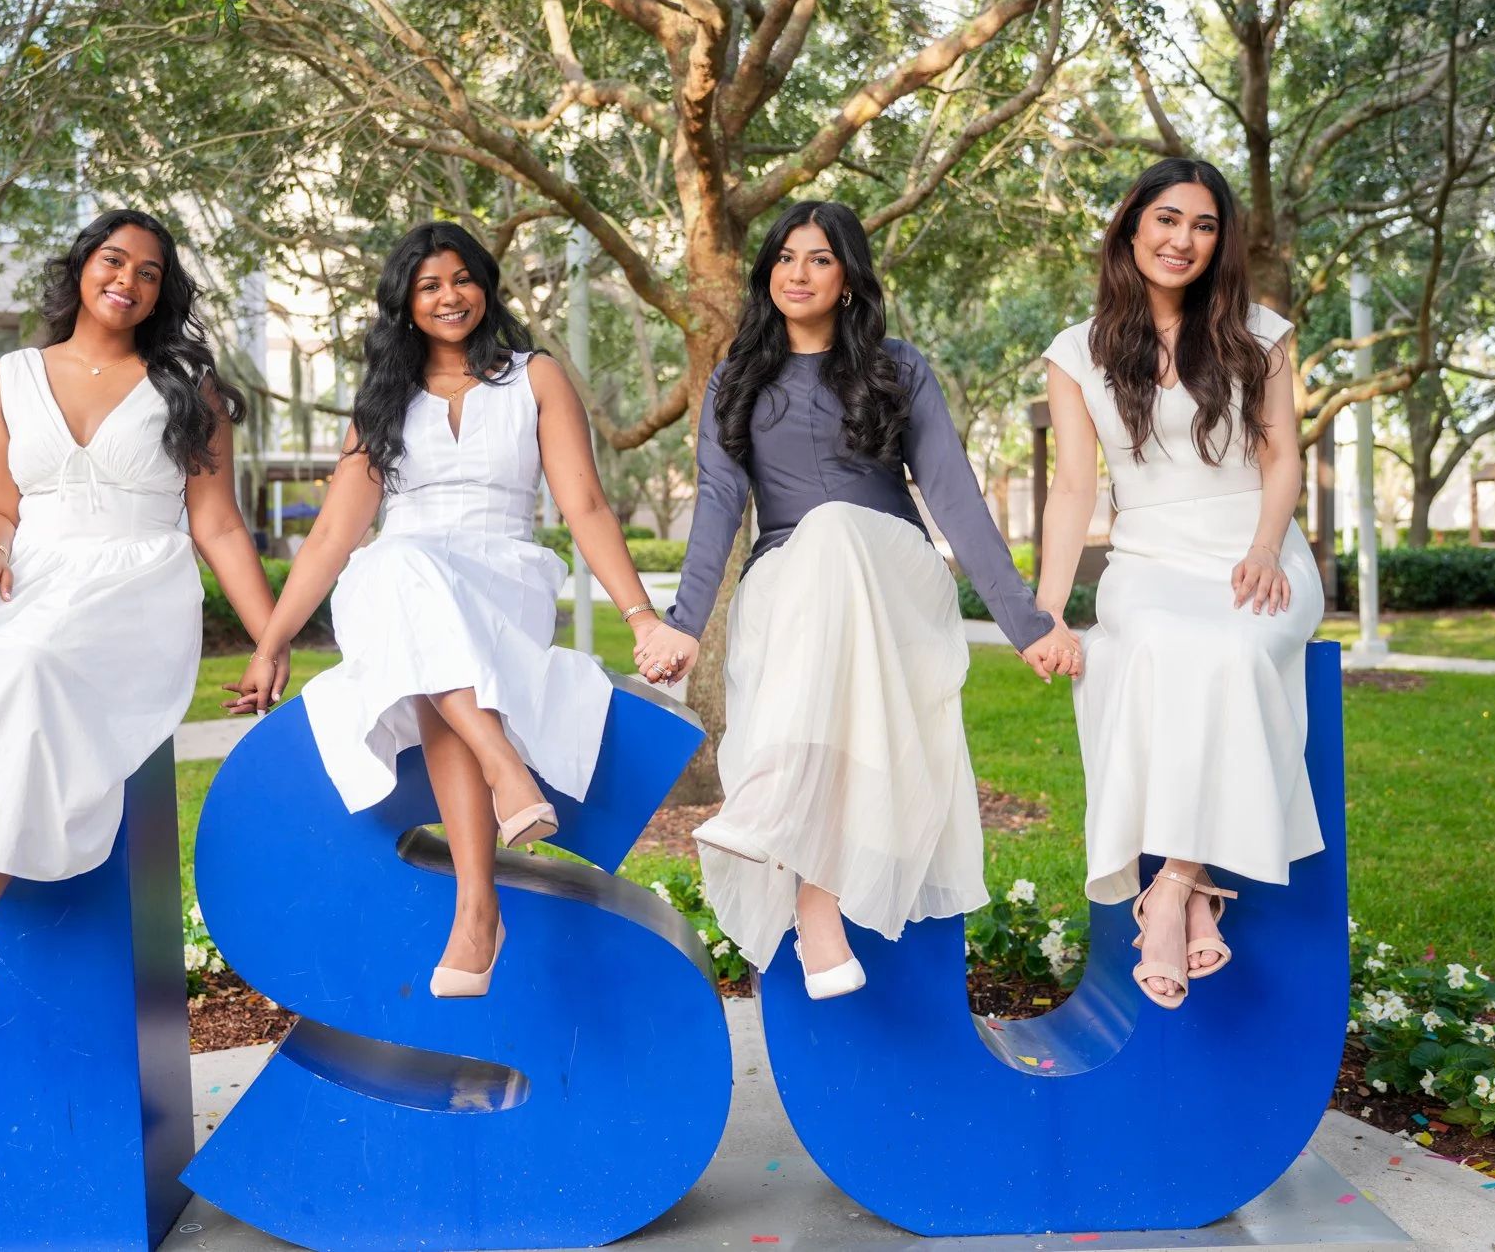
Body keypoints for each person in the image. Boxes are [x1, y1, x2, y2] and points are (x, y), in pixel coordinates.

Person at [0, 209, 282, 1038]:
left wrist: (269, 637)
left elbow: (218, 526)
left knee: (32, 668)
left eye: (149, 272)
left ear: (163, 292)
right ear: (83, 267)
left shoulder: (189, 388)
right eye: (114, 260)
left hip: (135, 583)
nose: (128, 279)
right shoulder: (10, 375)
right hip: (31, 570)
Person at [632, 201, 1082, 999]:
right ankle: (818, 903)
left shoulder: (896, 367)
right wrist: (684, 625)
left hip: (891, 574)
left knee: (838, 525)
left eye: (819, 259)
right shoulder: (738, 377)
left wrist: (1026, 622)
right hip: (787, 583)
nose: (797, 274)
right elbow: (716, 505)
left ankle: (777, 818)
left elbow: (954, 497)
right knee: (817, 561)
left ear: (848, 280)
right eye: (784, 258)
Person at [232, 221, 662, 998]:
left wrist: (641, 615)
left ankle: (479, 907)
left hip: (502, 576)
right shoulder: (383, 404)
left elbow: (587, 504)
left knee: (428, 645)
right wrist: (270, 641)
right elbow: (334, 531)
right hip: (402, 580)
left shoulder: (536, 379)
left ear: (486, 286)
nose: (449, 295)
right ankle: (495, 811)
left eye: (461, 278)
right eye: (429, 285)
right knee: (403, 576)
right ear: (406, 304)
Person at [1035, 157, 1323, 1010]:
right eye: (1167, 219)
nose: (1183, 240)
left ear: (1220, 242)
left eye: (1204, 225)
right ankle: (1191, 894)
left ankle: (1169, 887)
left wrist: (1267, 549)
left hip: (1254, 548)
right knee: (1155, 642)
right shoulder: (1075, 353)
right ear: (1131, 228)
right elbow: (1075, 491)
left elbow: (1281, 456)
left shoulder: (1261, 333)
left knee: (1235, 651)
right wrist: (1047, 608)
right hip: (1150, 558)